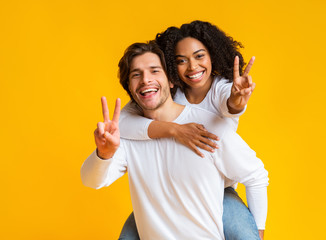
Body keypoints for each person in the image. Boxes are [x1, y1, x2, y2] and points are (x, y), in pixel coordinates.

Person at [81, 42, 268, 239]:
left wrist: (258, 233)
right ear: (129, 87)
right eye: (136, 75)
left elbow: (256, 176)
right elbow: (91, 180)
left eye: (154, 71)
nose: (146, 80)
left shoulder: (208, 128)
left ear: (171, 81)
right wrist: (104, 154)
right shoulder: (127, 137)